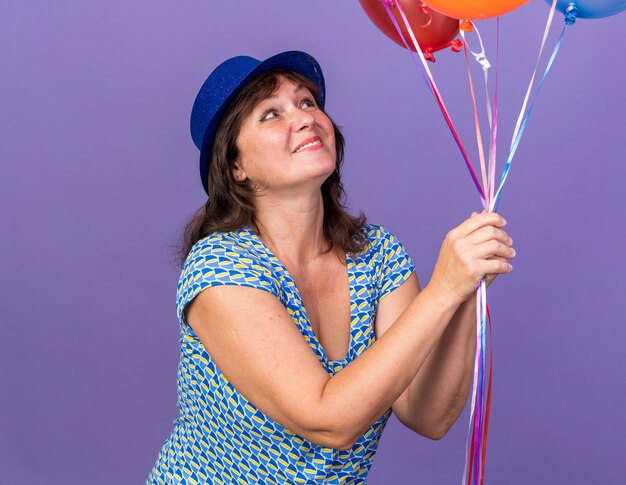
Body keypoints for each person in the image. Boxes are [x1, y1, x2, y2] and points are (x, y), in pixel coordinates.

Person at [147, 51, 515, 485]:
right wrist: (441, 291)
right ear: (236, 166)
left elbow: (427, 414)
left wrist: (466, 290)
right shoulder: (220, 269)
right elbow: (329, 421)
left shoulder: (377, 255)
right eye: (270, 114)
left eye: (307, 102)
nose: (304, 118)